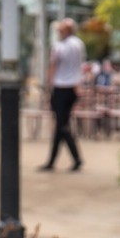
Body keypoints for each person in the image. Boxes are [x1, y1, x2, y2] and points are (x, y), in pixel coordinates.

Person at [38, 17, 86, 172]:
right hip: (73, 88)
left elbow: (53, 66)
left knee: (61, 126)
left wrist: (48, 86)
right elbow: (80, 66)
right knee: (61, 125)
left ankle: (73, 158)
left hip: (60, 87)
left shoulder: (58, 47)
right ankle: (55, 160)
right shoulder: (79, 44)